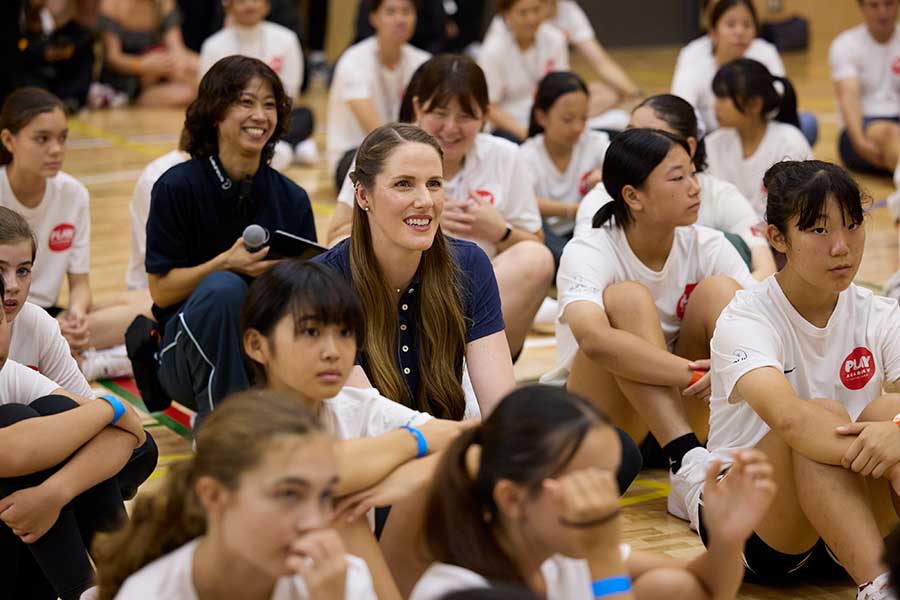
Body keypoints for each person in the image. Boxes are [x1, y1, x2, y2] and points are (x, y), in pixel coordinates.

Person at [695, 160, 900, 599]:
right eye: (819, 231)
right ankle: (879, 588)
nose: (842, 246)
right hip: (755, 528)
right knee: (817, 417)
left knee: (890, 412)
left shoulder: (879, 313)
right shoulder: (746, 316)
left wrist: (896, 432)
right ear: (777, 237)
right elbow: (789, 421)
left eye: (853, 225)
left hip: (850, 525)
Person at [540, 128, 757, 522]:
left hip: (690, 415)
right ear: (632, 196)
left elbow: (765, 322)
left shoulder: (709, 245)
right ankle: (687, 457)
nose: (694, 188)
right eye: (678, 178)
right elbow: (592, 339)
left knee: (722, 292)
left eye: (693, 174)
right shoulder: (590, 247)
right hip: (609, 423)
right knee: (626, 298)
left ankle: (700, 462)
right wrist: (690, 372)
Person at [409, 385, 777, 600]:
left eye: (606, 477)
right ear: (511, 499)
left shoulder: (557, 553)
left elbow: (704, 589)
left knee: (669, 586)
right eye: (585, 480)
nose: (603, 496)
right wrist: (603, 561)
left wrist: (727, 538)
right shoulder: (460, 589)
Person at [241, 260, 470, 599]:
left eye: (345, 333)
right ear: (257, 345)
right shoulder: (240, 426)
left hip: (344, 580)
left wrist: (414, 475)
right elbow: (316, 471)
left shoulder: (354, 405)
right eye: (311, 332)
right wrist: (415, 441)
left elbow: (477, 438)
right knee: (337, 505)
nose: (333, 352)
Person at [328, 55, 554, 358]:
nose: (450, 128)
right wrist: (415, 221)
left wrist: (500, 231)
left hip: (470, 299)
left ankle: (473, 371)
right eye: (440, 113)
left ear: (485, 117)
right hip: (392, 294)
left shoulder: (506, 157)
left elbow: (536, 243)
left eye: (465, 116)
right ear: (419, 107)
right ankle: (385, 356)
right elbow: (337, 235)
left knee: (535, 258)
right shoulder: (383, 151)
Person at [146, 56, 316, 430]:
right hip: (183, 357)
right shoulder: (177, 187)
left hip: (261, 354)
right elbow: (161, 292)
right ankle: (222, 432)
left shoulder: (293, 198)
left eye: (269, 104)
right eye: (245, 102)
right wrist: (225, 264)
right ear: (216, 112)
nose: (260, 115)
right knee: (224, 289)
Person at [317, 123, 516, 421]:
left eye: (434, 183)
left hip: (448, 445)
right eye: (403, 184)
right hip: (365, 455)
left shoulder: (469, 263)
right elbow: (369, 421)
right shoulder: (324, 282)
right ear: (362, 196)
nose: (425, 201)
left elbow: (501, 407)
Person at [94, 391, 378, 600]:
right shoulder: (149, 593)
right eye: (289, 494)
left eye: (326, 495)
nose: (314, 522)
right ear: (214, 496)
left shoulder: (342, 583)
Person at [0, 269, 156, 600]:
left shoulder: (10, 373)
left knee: (57, 409)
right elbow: (11, 451)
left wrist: (53, 494)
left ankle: (123, 582)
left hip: (24, 528)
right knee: (18, 420)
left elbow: (130, 433)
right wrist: (108, 407)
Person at [0, 87, 153, 381]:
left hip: (51, 315)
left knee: (150, 301)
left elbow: (80, 284)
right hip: (8, 316)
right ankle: (86, 361)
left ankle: (74, 352)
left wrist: (77, 316)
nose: (56, 149)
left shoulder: (74, 194)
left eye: (62, 138)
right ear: (9, 140)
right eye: (42, 139)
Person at [575, 94, 776, 280]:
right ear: (631, 197)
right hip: (629, 312)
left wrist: (709, 303)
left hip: (704, 313)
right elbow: (583, 269)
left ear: (689, 146)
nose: (634, 142)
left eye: (650, 135)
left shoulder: (720, 198)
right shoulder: (602, 198)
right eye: (630, 131)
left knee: (733, 246)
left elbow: (765, 270)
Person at [671, 0, 818, 145]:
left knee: (807, 124)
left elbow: (778, 99)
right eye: (731, 25)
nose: (740, 32)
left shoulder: (765, 52)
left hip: (756, 133)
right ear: (713, 31)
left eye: (747, 25)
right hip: (710, 133)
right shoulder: (694, 54)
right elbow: (682, 107)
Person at [199, 0, 318, 169]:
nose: (249, 5)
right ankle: (285, 145)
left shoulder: (287, 39)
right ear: (229, 7)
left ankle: (278, 145)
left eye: (255, 0)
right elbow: (209, 95)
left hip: (273, 114)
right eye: (242, 1)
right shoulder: (213, 45)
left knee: (304, 116)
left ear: (267, 5)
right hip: (233, 117)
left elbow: (291, 91)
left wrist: (264, 108)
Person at [326, 0, 430, 189]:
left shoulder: (422, 61)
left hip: (407, 153)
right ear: (374, 18)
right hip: (356, 155)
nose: (400, 19)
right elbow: (376, 131)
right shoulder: (353, 60)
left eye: (406, 12)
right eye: (390, 12)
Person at [520, 71, 609, 271]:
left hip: (586, 228)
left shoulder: (595, 143)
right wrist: (574, 210)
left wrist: (606, 177)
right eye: (568, 119)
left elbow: (628, 169)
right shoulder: (527, 155)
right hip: (549, 234)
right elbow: (524, 201)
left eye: (584, 118)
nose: (578, 127)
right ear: (542, 117)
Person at [0, 206, 93, 397]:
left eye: (23, 271)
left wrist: (113, 409)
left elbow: (87, 404)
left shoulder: (39, 324)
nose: (12, 286)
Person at [705, 58, 812, 218]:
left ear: (755, 104)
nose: (715, 106)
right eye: (716, 97)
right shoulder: (713, 143)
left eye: (724, 97)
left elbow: (793, 211)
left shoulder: (789, 143)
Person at [830, 0, 900, 214]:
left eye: (889, 4)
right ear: (862, 8)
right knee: (890, 133)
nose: (883, 12)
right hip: (863, 127)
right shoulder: (846, 44)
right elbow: (848, 97)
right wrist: (859, 140)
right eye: (874, 5)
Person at [478, 0, 568, 142]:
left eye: (536, 10)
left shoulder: (555, 39)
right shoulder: (493, 50)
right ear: (506, 15)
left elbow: (563, 87)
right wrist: (526, 133)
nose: (531, 18)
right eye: (523, 13)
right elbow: (490, 107)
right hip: (510, 126)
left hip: (547, 118)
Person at [541, 0, 642, 118]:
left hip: (557, 85)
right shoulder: (529, 14)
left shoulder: (567, 10)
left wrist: (635, 95)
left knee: (608, 93)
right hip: (535, 89)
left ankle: (566, 120)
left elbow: (600, 61)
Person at [97, 0, 198, 107]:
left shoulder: (163, 3)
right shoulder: (111, 5)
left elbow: (177, 49)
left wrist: (191, 63)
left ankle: (211, 93)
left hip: (163, 67)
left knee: (197, 67)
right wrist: (141, 65)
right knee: (187, 93)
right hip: (129, 78)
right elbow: (113, 58)